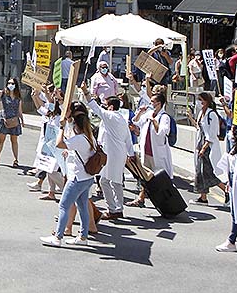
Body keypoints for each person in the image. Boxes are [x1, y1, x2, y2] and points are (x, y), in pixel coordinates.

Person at [40, 103, 99, 247]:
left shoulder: (79, 139)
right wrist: (70, 152)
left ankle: (58, 237)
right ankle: (83, 237)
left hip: (77, 178)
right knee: (83, 206)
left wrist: (61, 127)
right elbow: (79, 151)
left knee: (64, 205)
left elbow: (60, 143)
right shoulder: (88, 136)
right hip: (87, 177)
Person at [83, 89, 133, 220]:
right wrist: (131, 153)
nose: (104, 107)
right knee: (112, 181)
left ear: (111, 107)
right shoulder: (121, 118)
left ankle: (114, 209)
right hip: (116, 153)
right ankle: (116, 208)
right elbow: (128, 139)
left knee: (109, 182)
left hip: (113, 154)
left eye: (105, 105)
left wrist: (85, 91)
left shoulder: (110, 116)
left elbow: (93, 106)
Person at [129, 91, 174, 207]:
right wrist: (140, 112)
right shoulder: (149, 114)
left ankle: (167, 201)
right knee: (145, 176)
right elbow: (136, 121)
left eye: (152, 102)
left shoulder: (164, 117)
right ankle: (141, 198)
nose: (150, 103)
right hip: (146, 151)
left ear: (159, 104)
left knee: (160, 178)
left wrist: (154, 123)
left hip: (157, 153)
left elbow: (163, 132)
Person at [189, 92, 227, 205]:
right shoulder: (202, 113)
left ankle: (226, 190)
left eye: (202, 100)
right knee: (200, 172)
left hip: (208, 147)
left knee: (209, 173)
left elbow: (212, 133)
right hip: (200, 144)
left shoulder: (212, 115)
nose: (200, 102)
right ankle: (203, 197)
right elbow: (199, 127)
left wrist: (204, 148)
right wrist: (190, 117)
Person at [0, 76, 22, 168]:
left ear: (16, 85)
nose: (10, 85)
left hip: (14, 120)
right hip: (4, 119)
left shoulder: (18, 97)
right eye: (9, 83)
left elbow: (19, 110)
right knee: (1, 140)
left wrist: (22, 120)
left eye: (12, 83)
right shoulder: (4, 93)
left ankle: (15, 160)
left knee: (14, 141)